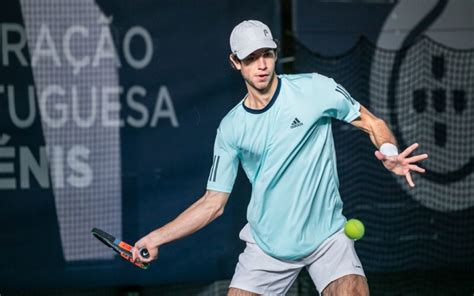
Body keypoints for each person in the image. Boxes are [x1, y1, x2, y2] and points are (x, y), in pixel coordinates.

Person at [133, 20, 428, 295]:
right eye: (250, 58)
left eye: (267, 54)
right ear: (235, 62)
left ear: (275, 53)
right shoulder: (232, 128)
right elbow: (213, 204)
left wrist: (389, 152)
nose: (261, 65)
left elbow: (372, 122)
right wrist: (156, 237)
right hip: (267, 247)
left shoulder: (314, 88)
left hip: (327, 238)